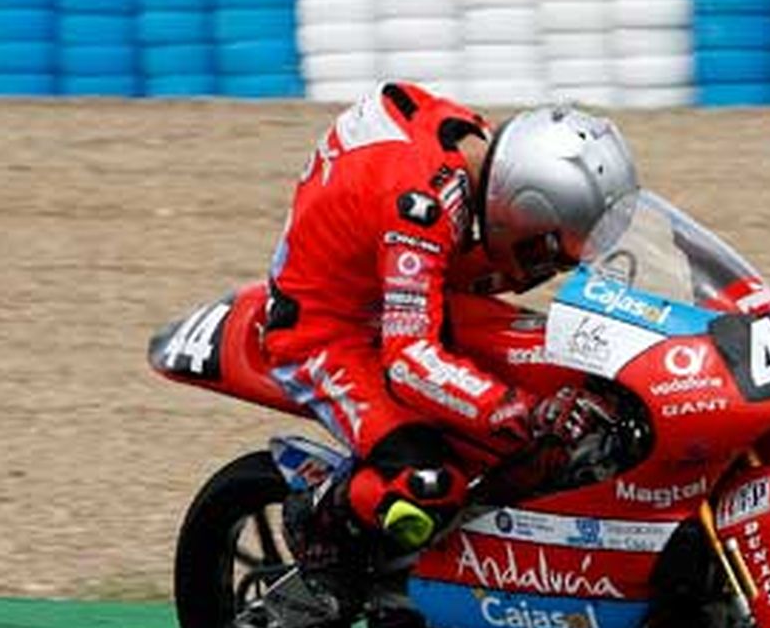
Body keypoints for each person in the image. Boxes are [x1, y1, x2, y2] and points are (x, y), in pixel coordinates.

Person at [261, 81, 638, 585]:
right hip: (327, 331)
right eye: (548, 251)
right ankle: (319, 518)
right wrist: (519, 411)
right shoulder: (420, 207)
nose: (548, 268)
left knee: (561, 371)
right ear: (524, 209)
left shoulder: (479, 154)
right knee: (430, 485)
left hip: (396, 287)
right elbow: (411, 359)